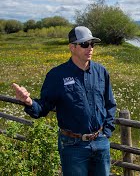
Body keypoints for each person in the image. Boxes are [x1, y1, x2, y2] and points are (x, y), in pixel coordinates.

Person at [12, 26, 116, 176]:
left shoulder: (101, 72)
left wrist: (106, 132)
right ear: (72, 47)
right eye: (85, 44)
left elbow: (110, 103)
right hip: (73, 146)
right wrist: (28, 101)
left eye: (92, 44)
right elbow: (42, 108)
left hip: (100, 141)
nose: (90, 48)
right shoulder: (57, 75)